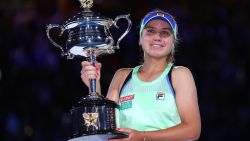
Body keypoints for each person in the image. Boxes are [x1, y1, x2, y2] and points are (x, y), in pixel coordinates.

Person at [81, 9, 201, 141]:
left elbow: (192, 130)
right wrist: (94, 86)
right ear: (140, 38)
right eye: (150, 31)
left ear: (173, 43)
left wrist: (142, 136)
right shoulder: (122, 76)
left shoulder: (179, 75)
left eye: (165, 32)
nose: (157, 37)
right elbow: (105, 126)